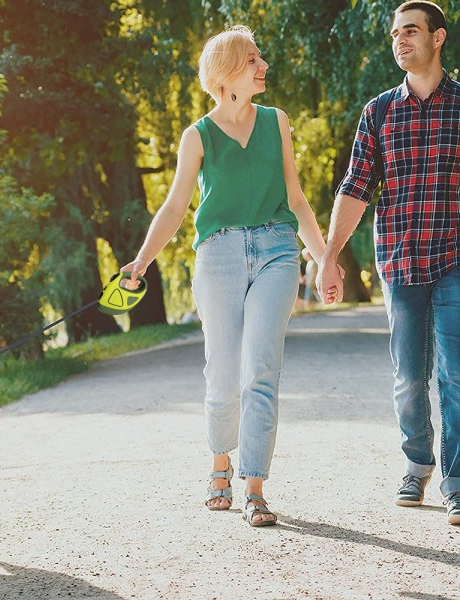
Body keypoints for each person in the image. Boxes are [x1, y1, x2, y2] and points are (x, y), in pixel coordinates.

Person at [121, 25, 342, 527]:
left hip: (276, 251)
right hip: (218, 254)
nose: (263, 66)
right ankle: (219, 463)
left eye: (260, 58)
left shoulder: (276, 122)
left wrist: (324, 256)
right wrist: (142, 260)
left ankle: (255, 486)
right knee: (223, 375)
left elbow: (296, 197)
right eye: (251, 60)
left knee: (261, 369)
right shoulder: (196, 136)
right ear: (225, 75)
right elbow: (177, 205)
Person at [317, 1, 460, 525]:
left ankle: (456, 479)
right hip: (399, 260)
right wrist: (330, 257)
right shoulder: (378, 111)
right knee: (408, 376)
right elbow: (356, 186)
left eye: (412, 31)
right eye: (396, 33)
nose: (401, 40)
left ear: (438, 38)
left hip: (454, 256)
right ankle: (416, 463)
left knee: (457, 373)